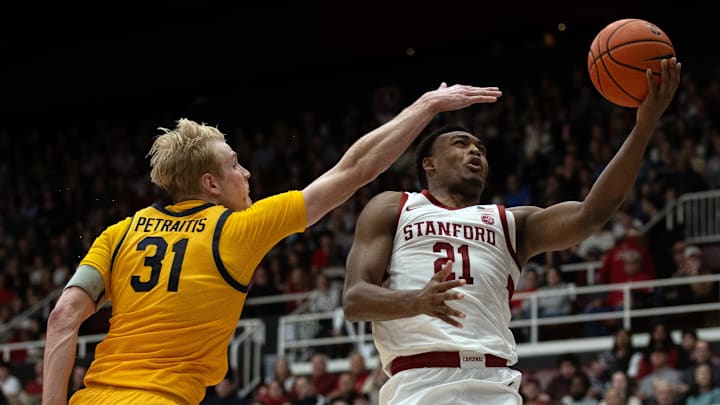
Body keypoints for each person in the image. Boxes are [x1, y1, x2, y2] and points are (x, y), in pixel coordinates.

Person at [42, 83, 503, 404]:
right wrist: (425, 106)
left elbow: (64, 317)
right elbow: (355, 170)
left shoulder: (119, 233)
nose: (247, 174)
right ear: (211, 184)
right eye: (235, 166)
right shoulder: (237, 229)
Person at [342, 58, 681, 404]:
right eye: (460, 143)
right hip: (419, 381)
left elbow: (592, 213)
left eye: (481, 149)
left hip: (495, 382)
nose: (475, 150)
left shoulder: (510, 222)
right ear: (429, 163)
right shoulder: (394, 207)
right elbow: (355, 300)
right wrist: (415, 301)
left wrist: (644, 126)